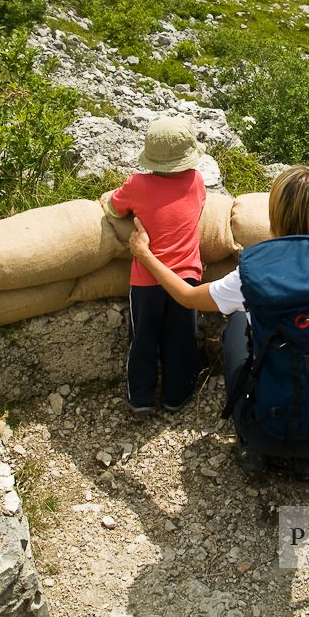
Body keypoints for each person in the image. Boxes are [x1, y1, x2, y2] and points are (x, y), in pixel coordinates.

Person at [129, 165, 309, 477]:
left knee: (238, 323)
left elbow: (187, 297)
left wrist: (145, 255)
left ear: (274, 213)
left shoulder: (252, 278)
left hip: (268, 430)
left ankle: (251, 446)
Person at [103, 115, 206, 416]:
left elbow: (114, 206)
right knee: (182, 340)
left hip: (147, 282)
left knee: (143, 341)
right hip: (187, 280)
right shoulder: (197, 181)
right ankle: (177, 396)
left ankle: (141, 399)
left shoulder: (137, 184)